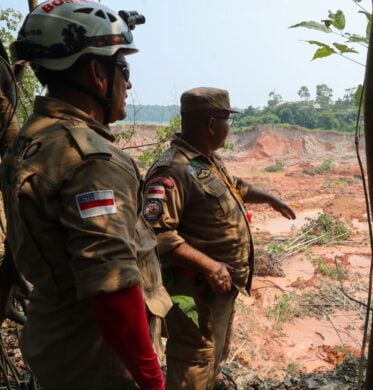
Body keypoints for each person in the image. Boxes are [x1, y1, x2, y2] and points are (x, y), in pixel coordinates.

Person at [1, 1, 172, 389]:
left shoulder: (33, 137)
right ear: (97, 73)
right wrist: (152, 378)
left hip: (58, 343)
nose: (128, 84)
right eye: (122, 69)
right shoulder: (91, 159)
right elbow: (112, 282)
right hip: (99, 357)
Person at [143, 87, 296, 389]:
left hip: (218, 292)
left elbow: (236, 186)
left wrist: (270, 199)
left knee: (211, 356)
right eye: (227, 121)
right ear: (212, 125)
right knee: (193, 363)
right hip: (192, 294)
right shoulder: (172, 169)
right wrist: (210, 266)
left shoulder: (205, 161)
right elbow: (155, 233)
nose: (229, 128)